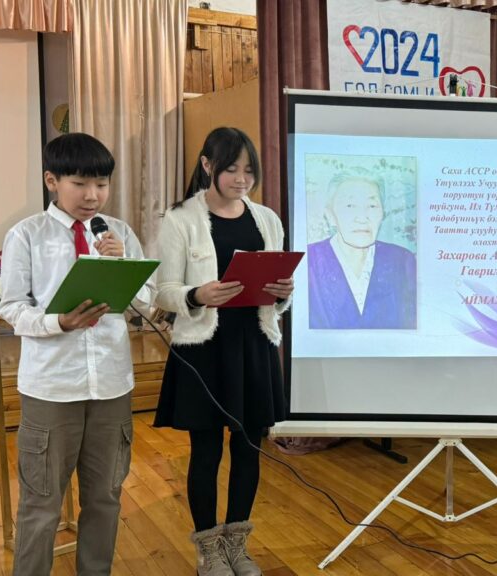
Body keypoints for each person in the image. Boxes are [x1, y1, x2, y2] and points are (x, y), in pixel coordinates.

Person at [0, 132, 151, 575]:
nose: (92, 196)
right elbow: (11, 307)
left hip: (111, 385)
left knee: (105, 496)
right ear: (52, 180)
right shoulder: (27, 234)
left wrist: (123, 265)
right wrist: (58, 323)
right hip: (52, 386)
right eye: (80, 183)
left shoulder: (119, 233)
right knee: (41, 502)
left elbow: (145, 302)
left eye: (101, 184)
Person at [154, 127, 293, 576]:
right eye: (231, 169)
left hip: (254, 344)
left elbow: (276, 290)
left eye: (249, 170)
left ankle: (237, 545)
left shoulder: (266, 219)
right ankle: (208, 550)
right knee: (207, 449)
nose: (241, 179)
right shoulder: (180, 219)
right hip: (205, 349)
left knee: (250, 446)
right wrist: (197, 295)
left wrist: (283, 293)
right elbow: (163, 290)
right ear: (207, 165)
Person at [307, 169, 417, 329]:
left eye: (372, 206)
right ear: (330, 215)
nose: (362, 217)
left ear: (383, 214)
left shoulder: (402, 260)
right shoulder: (309, 260)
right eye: (350, 205)